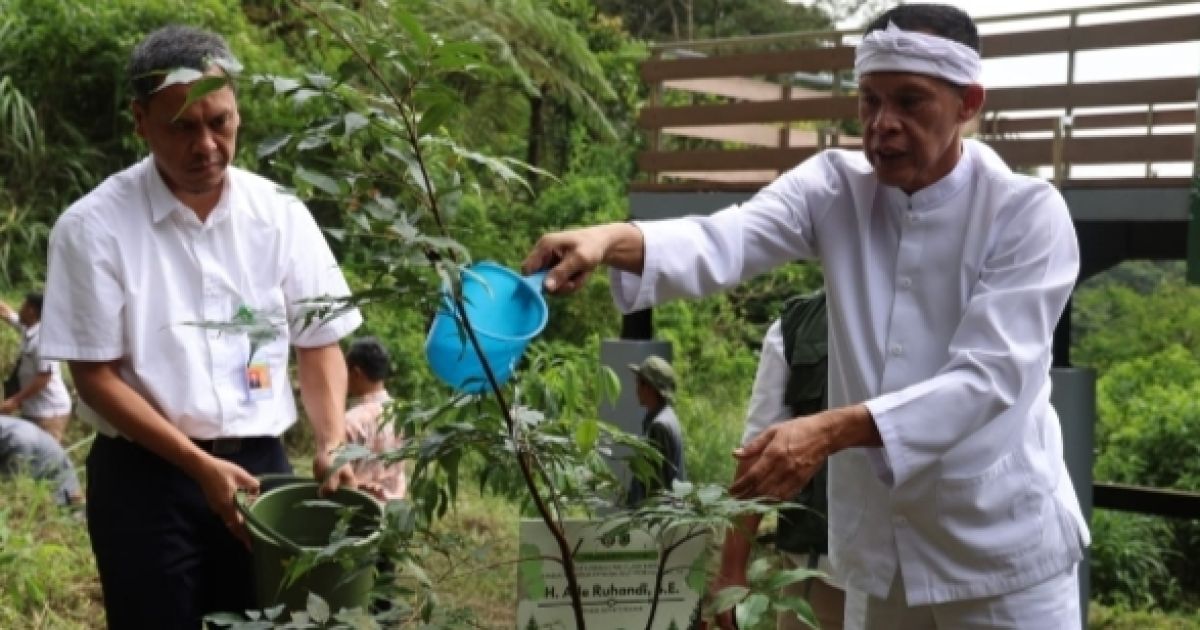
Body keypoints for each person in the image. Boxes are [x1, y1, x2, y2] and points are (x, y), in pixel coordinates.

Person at [524, 4, 1089, 628]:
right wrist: (609, 239)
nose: (883, 125)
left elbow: (987, 381)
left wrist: (825, 430)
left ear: (968, 103)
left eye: (910, 101)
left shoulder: (1026, 214)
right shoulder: (835, 188)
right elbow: (728, 238)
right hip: (882, 552)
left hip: (1002, 557)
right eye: (869, 101)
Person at [39, 25, 362, 629]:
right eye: (182, 127)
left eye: (220, 121)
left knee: (273, 619)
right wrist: (198, 465)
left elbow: (319, 341)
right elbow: (96, 377)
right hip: (145, 479)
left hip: (262, 468)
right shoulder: (93, 228)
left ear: (238, 109)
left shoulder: (280, 215)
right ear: (141, 121)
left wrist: (330, 442)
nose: (207, 144)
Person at [710, 292, 863, 630]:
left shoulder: (939, 306)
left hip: (915, 567)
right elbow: (757, 453)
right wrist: (731, 570)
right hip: (816, 568)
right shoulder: (795, 326)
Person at [0, 294, 73, 442]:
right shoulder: (30, 328)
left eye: (23, 305)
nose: (19, 308)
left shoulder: (43, 339)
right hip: (33, 408)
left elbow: (44, 377)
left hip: (49, 412)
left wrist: (14, 401)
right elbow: (6, 313)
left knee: (42, 458)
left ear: (31, 311)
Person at [344, 336, 405, 501]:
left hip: (360, 511)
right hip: (393, 510)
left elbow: (339, 477)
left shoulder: (351, 421)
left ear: (356, 373)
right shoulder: (403, 414)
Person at [625, 355, 686, 507]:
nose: (637, 389)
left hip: (659, 518)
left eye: (640, 383)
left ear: (650, 388)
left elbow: (656, 486)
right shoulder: (663, 417)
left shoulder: (660, 425)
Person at [0, 414, 82, 505]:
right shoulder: (5, 426)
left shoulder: (19, 441)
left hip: (55, 490)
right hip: (37, 478)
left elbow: (12, 484)